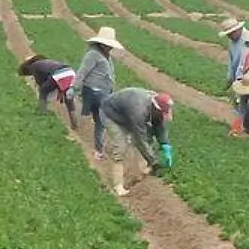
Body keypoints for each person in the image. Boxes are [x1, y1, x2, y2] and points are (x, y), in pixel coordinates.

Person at [100, 88, 174, 196]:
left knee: (147, 138)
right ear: (156, 108)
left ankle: (141, 171)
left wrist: (165, 144)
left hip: (127, 113)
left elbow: (159, 125)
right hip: (112, 115)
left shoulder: (156, 106)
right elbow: (140, 139)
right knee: (120, 147)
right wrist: (154, 161)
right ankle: (118, 185)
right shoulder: (139, 110)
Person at [76, 26, 123, 160]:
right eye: (108, 45)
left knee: (101, 121)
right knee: (101, 120)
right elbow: (82, 71)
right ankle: (98, 150)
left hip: (104, 92)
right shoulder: (92, 54)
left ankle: (100, 148)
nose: (110, 47)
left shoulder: (105, 55)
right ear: (101, 43)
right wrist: (74, 87)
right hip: (93, 91)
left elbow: (108, 75)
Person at [18, 54, 79, 129]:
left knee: (43, 90)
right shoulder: (45, 62)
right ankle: (73, 119)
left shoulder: (33, 67)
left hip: (59, 74)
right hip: (70, 72)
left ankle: (42, 110)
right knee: (68, 97)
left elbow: (40, 83)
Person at [217, 18, 246, 92]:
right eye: (228, 34)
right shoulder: (231, 42)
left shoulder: (248, 40)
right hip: (238, 78)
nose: (229, 36)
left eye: (231, 34)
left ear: (238, 30)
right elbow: (232, 62)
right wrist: (230, 77)